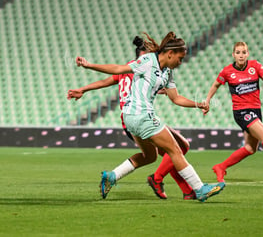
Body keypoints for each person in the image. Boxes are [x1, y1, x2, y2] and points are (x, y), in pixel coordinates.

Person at [75, 32, 225, 202]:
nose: (180, 62)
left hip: (130, 117)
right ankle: (199, 189)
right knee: (176, 149)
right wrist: (89, 65)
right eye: (180, 58)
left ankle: (112, 176)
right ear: (170, 54)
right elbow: (118, 69)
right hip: (141, 115)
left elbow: (176, 98)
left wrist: (197, 104)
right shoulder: (147, 61)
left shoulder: (167, 72)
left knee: (150, 156)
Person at [204, 41, 263, 183]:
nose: (241, 55)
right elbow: (216, 84)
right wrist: (207, 100)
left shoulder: (255, 66)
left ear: (248, 54)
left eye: (243, 52)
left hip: (256, 110)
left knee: (251, 148)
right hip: (241, 112)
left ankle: (221, 167)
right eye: (238, 52)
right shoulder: (227, 71)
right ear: (233, 54)